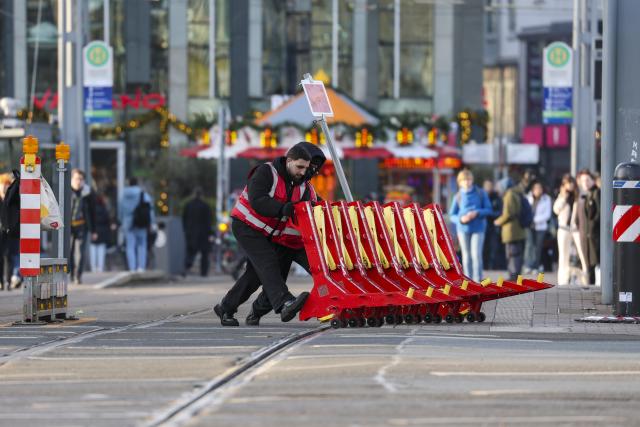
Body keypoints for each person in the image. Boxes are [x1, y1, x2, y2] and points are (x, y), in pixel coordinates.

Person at [214, 144, 317, 326]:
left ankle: (226, 307)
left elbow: (315, 207)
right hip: (247, 226)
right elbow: (257, 201)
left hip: (269, 233)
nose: (302, 172)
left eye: (306, 168)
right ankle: (284, 302)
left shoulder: (303, 187)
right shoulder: (266, 172)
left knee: (254, 276)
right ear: (289, 160)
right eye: (299, 167)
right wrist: (282, 209)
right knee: (268, 261)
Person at [448, 170, 493, 282]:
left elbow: (489, 209)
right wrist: (460, 219)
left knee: (476, 254)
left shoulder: (481, 193)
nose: (467, 182)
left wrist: (477, 212)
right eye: (464, 180)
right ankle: (468, 281)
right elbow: (451, 215)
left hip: (478, 228)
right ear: (460, 182)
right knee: (466, 255)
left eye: (469, 180)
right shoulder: (458, 196)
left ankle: (478, 280)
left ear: (472, 180)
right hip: (463, 229)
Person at [119, 177, 155, 272]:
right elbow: (149, 210)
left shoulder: (123, 195)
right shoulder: (143, 194)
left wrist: (121, 221)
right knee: (142, 245)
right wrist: (151, 223)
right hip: (140, 222)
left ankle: (132, 267)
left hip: (127, 223)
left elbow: (120, 210)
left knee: (130, 246)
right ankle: (141, 267)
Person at [494, 177, 526, 280]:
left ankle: (513, 276)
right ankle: (516, 275)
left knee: (512, 254)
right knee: (516, 254)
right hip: (518, 230)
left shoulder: (509, 195)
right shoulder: (516, 193)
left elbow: (508, 213)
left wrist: (498, 221)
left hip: (512, 231)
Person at [70, 169, 97, 284]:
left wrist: (94, 230)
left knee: (80, 253)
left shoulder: (88, 193)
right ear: (71, 179)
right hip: (68, 227)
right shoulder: (66, 191)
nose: (78, 181)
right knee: (69, 252)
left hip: (82, 226)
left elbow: (93, 212)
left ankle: (78, 275)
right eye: (76, 179)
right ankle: (71, 273)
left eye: (81, 179)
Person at [576, 169, 600, 285]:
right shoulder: (583, 194)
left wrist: (592, 227)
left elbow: (599, 214)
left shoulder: (596, 193)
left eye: (587, 180)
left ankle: (593, 286)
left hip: (593, 234)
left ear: (592, 180)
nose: (585, 183)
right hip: (584, 234)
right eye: (582, 180)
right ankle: (589, 285)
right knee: (587, 262)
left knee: (595, 262)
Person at [182, 187, 214, 277]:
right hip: (203, 234)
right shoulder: (205, 206)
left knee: (190, 252)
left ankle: (187, 268)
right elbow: (208, 221)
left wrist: (186, 230)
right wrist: (210, 233)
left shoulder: (188, 205)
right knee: (204, 254)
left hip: (191, 233)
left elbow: (184, 219)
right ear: (201, 195)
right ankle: (203, 272)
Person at [553, 174, 578, 286]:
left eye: (571, 182)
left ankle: (572, 278)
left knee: (573, 255)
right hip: (563, 229)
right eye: (568, 183)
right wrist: (563, 197)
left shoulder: (576, 196)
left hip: (574, 229)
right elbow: (556, 210)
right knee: (563, 255)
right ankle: (562, 280)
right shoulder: (562, 196)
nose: (570, 185)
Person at [524, 180, 552, 274]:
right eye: (536, 188)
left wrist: (534, 219)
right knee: (529, 246)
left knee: (538, 247)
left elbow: (547, 215)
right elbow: (526, 210)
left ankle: (536, 266)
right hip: (529, 226)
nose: (538, 190)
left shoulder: (546, 199)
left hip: (540, 227)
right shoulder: (528, 197)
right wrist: (529, 220)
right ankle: (528, 265)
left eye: (540, 188)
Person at [482, 179, 504, 270]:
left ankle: (492, 267)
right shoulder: (481, 197)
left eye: (490, 186)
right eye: (487, 186)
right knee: (483, 248)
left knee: (493, 248)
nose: (488, 188)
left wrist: (489, 213)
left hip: (493, 227)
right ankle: (484, 266)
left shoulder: (497, 198)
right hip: (482, 227)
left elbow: (500, 212)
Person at [90, 193, 112, 273]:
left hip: (93, 231)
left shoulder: (91, 210)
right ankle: (100, 267)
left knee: (93, 249)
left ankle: (93, 267)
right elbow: (108, 221)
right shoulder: (104, 209)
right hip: (103, 232)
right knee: (101, 250)